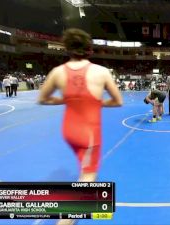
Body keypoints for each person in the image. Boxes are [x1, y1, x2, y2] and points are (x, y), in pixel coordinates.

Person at [38, 28, 123, 225]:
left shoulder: (57, 72)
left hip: (68, 130)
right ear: (89, 49)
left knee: (84, 168)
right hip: (88, 133)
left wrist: (66, 100)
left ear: (67, 48)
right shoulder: (101, 72)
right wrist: (97, 102)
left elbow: (43, 99)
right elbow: (117, 101)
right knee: (88, 175)